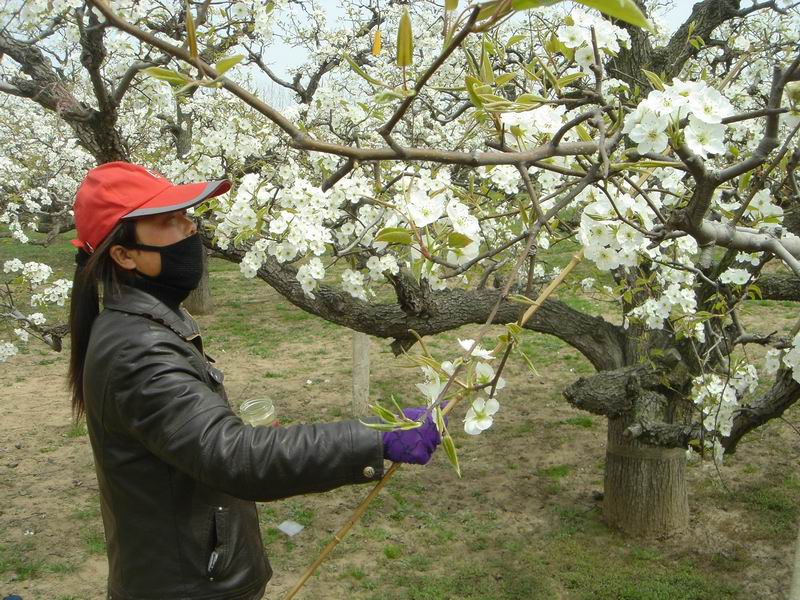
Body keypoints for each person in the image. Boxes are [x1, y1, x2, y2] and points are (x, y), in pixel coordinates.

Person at [67, 161, 442, 600]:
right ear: (124, 255)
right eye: (169, 221)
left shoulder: (144, 324)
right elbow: (234, 457)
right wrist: (376, 439)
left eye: (186, 215)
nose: (190, 228)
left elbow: (194, 444)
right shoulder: (137, 350)